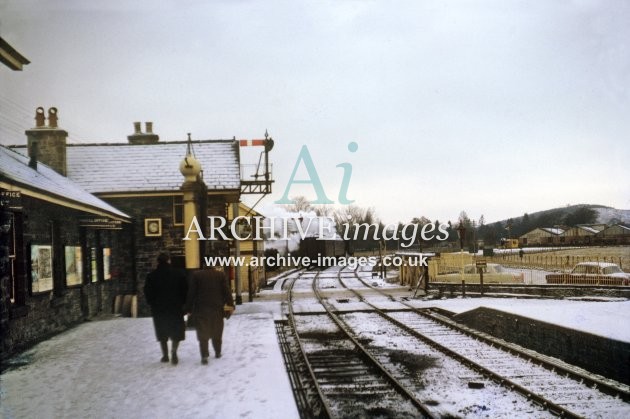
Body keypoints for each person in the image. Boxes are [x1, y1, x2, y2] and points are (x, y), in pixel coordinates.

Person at [185, 266, 235, 365]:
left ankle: (204, 355)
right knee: (217, 330)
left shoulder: (196, 275)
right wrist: (231, 305)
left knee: (203, 332)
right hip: (217, 308)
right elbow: (226, 291)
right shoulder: (220, 275)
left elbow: (192, 293)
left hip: (201, 309)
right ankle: (217, 352)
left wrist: (188, 308)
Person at [144, 252, 188, 365]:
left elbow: (147, 292)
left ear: (158, 262)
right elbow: (185, 290)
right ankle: (174, 351)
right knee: (176, 331)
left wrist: (152, 303)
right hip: (175, 307)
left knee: (162, 331)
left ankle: (165, 355)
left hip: (159, 308)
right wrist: (183, 304)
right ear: (169, 261)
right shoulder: (179, 274)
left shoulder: (152, 276)